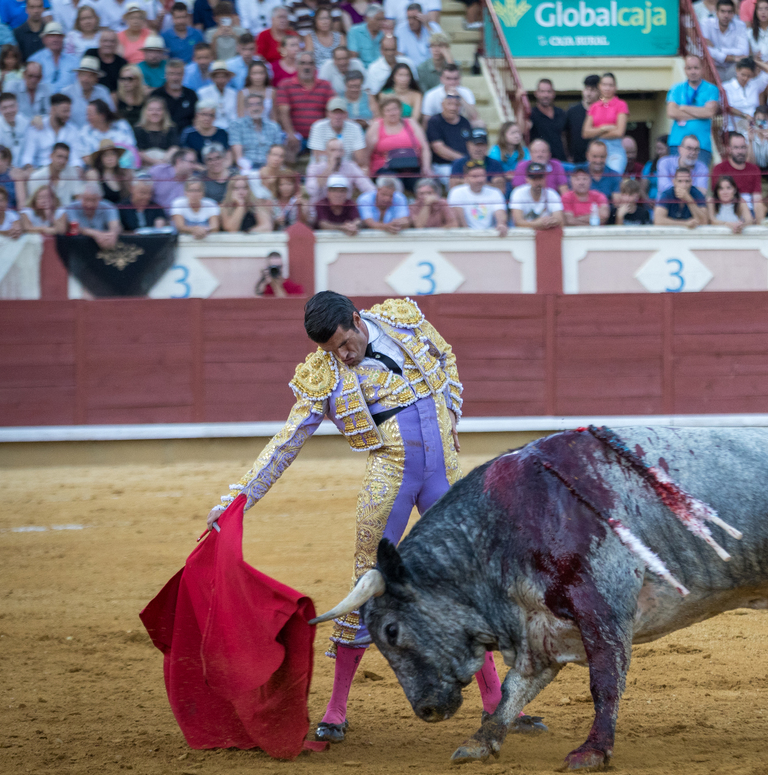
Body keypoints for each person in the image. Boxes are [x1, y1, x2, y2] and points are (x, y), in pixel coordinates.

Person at [201, 291, 538, 745]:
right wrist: (238, 499)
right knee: (366, 587)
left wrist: (450, 414)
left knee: (471, 584)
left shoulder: (403, 320)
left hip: (445, 478)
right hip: (391, 481)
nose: (343, 355)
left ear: (357, 321)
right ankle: (336, 710)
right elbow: (286, 443)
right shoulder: (323, 375)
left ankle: (497, 704)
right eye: (332, 351)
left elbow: (447, 358)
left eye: (344, 343)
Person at [667, 56, 721, 163]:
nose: (693, 72)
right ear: (685, 70)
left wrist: (684, 108)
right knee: (679, 178)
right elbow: (671, 112)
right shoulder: (676, 88)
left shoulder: (711, 89)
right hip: (677, 143)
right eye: (689, 68)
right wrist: (701, 112)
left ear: (702, 69)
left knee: (699, 178)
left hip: (702, 145)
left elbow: (710, 112)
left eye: (696, 68)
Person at [19, 95, 84, 171]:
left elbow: (75, 158)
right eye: (65, 111)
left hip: (65, 171)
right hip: (41, 170)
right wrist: (29, 168)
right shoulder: (37, 127)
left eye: (69, 111)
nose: (68, 115)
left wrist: (77, 168)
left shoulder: (72, 130)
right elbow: (28, 157)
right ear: (53, 109)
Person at [581, 73, 629, 173]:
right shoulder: (594, 106)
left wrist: (595, 132)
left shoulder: (621, 104)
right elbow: (585, 133)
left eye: (610, 85)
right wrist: (604, 128)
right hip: (596, 149)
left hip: (615, 149)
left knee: (614, 177)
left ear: (615, 87)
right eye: (604, 84)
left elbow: (619, 132)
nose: (607, 88)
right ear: (599, 86)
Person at [712, 131, 764, 221]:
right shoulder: (719, 168)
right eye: (736, 148)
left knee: (760, 205)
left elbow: (757, 198)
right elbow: (717, 194)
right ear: (729, 149)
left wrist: (756, 216)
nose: (740, 151)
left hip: (750, 210)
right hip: (727, 209)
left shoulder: (754, 169)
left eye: (743, 147)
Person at [447, 161, 507, 234]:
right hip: (466, 236)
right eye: (475, 176)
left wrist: (501, 224)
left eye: (482, 176)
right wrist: (468, 235)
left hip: (490, 235)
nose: (480, 180)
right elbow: (459, 217)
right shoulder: (456, 192)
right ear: (466, 178)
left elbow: (500, 212)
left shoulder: (495, 192)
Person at [228, 91, 284, 168]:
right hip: (247, 166)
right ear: (246, 108)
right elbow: (239, 157)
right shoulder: (237, 125)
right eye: (251, 105)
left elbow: (278, 152)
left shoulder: (274, 127)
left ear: (263, 107)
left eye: (258, 104)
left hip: (269, 167)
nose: (255, 108)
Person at [307, 137, 373, 202]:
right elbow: (311, 191)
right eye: (333, 150)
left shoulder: (351, 167)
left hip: (344, 209)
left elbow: (369, 188)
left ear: (343, 152)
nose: (337, 154)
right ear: (326, 152)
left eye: (340, 150)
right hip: (320, 208)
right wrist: (329, 168)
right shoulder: (315, 168)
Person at [504, 160, 562, 229]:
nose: (537, 182)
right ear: (527, 179)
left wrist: (551, 221)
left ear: (544, 179)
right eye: (534, 179)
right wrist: (537, 224)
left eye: (540, 178)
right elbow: (517, 222)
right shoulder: (518, 193)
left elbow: (559, 219)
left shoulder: (552, 194)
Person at [308, 96, 365, 165]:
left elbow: (360, 158)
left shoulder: (355, 128)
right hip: (323, 168)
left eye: (341, 113)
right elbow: (318, 157)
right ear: (328, 114)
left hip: (347, 168)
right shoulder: (318, 127)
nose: (337, 116)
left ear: (346, 114)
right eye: (334, 113)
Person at [64, 180, 122, 247]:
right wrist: (96, 234)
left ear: (100, 199)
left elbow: (115, 226)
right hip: (77, 247)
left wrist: (112, 235)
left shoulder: (109, 207)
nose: (89, 204)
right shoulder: (72, 207)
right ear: (80, 198)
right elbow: (74, 227)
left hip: (103, 247)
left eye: (94, 200)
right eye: (86, 199)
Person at [60, 55, 113, 126]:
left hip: (96, 133)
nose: (86, 79)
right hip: (72, 134)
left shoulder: (103, 92)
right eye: (83, 75)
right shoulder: (66, 93)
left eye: (90, 76)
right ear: (77, 76)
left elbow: (111, 115)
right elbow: (59, 117)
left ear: (97, 79)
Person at [151, 58, 199, 131]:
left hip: (186, 136)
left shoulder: (191, 95)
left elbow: (197, 119)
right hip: (162, 135)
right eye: (172, 74)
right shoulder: (156, 95)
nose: (175, 78)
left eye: (179, 74)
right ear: (166, 75)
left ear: (184, 75)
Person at [527, 77, 566, 163]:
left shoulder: (561, 113)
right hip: (541, 162)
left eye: (548, 92)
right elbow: (522, 130)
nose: (545, 95)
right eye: (542, 92)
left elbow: (565, 136)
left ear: (553, 93)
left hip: (561, 161)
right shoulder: (531, 114)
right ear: (536, 93)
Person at [134, 94, 178, 167]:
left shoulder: (171, 128)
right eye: (150, 110)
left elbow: (174, 148)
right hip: (145, 165)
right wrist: (156, 162)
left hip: (166, 163)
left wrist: (164, 161)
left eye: (159, 110)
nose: (154, 113)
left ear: (164, 112)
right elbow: (139, 151)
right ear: (145, 112)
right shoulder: (138, 129)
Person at [82, 137, 131, 204]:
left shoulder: (124, 174)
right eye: (106, 155)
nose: (110, 158)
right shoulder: (94, 174)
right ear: (100, 159)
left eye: (112, 154)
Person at [196, 61, 238, 129]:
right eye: (217, 77)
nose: (220, 80)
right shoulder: (203, 93)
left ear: (228, 78)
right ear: (212, 78)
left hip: (231, 128)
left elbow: (234, 115)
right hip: (211, 128)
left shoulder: (233, 94)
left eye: (223, 77)